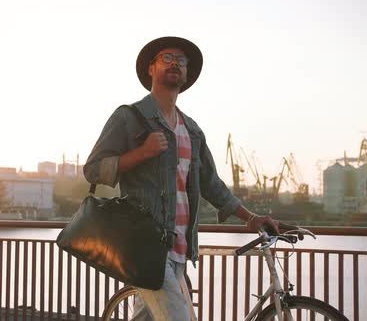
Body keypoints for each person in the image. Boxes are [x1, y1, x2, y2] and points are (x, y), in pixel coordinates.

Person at [84, 36, 279, 320]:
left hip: (180, 250)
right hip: (146, 245)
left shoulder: (192, 129)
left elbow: (212, 184)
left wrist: (251, 218)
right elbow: (92, 169)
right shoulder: (129, 117)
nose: (175, 62)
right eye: (167, 57)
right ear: (151, 68)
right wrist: (141, 153)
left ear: (186, 74)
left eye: (181, 60)